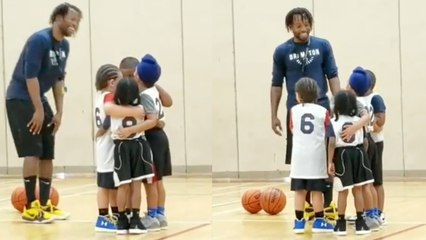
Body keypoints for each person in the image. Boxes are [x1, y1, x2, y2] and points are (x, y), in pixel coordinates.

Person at [5, 2, 82, 223]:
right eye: (72, 19)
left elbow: (59, 80)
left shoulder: (64, 46)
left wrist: (59, 112)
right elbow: (30, 77)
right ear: (58, 17)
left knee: (48, 151)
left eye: (77, 22)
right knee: (33, 150)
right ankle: (31, 207)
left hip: (41, 98)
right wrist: (38, 109)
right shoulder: (39, 40)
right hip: (20, 98)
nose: (74, 25)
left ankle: (46, 204)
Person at [270, 7, 341, 220]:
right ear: (290, 27)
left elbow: (333, 75)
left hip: (322, 109)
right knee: (301, 158)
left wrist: (337, 105)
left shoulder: (323, 45)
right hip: (296, 113)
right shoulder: (282, 51)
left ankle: (326, 204)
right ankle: (308, 206)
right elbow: (276, 84)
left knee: (327, 159)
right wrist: (273, 115)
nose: (304, 29)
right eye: (299, 25)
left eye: (307, 24)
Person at [119, 56, 173, 230]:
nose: (128, 79)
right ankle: (159, 214)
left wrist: (133, 129)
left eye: (131, 74)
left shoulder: (144, 94)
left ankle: (152, 215)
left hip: (152, 137)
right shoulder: (151, 91)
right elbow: (166, 105)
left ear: (138, 75)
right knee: (157, 181)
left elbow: (154, 118)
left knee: (152, 181)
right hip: (159, 137)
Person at [104, 78, 154, 235]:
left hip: (121, 147)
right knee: (136, 185)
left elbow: (108, 109)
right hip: (138, 146)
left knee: (123, 186)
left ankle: (121, 219)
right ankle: (135, 220)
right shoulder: (140, 108)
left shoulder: (113, 108)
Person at [289, 77, 334, 234]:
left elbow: (292, 129)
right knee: (316, 192)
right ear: (316, 94)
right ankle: (319, 221)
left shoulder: (293, 111)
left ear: (299, 95)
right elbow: (330, 135)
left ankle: (299, 223)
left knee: (299, 191)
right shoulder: (323, 111)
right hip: (316, 157)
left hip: (299, 157)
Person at [328, 90, 373, 236]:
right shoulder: (358, 122)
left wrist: (330, 161)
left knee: (342, 191)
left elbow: (332, 143)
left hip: (342, 155)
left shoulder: (334, 122)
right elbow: (365, 142)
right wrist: (362, 157)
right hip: (358, 153)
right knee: (358, 190)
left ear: (337, 106)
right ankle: (360, 223)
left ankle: (340, 224)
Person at [347, 67, 381, 231]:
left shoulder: (352, 103)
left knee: (360, 184)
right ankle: (373, 214)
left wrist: (354, 128)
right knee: (369, 182)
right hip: (369, 140)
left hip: (363, 144)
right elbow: (373, 121)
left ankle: (366, 215)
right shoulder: (363, 103)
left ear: (351, 87)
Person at [93, 64, 121, 232]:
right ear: (111, 82)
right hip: (107, 147)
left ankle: (114, 215)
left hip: (104, 147)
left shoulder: (100, 97)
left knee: (111, 185)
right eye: (120, 80)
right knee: (105, 186)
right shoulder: (110, 96)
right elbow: (110, 118)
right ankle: (102, 217)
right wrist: (101, 131)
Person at [365, 69, 387, 225]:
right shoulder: (355, 98)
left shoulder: (375, 98)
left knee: (377, 180)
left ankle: (380, 212)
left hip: (375, 142)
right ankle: (369, 211)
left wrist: (369, 125)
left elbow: (380, 123)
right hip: (362, 143)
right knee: (366, 181)